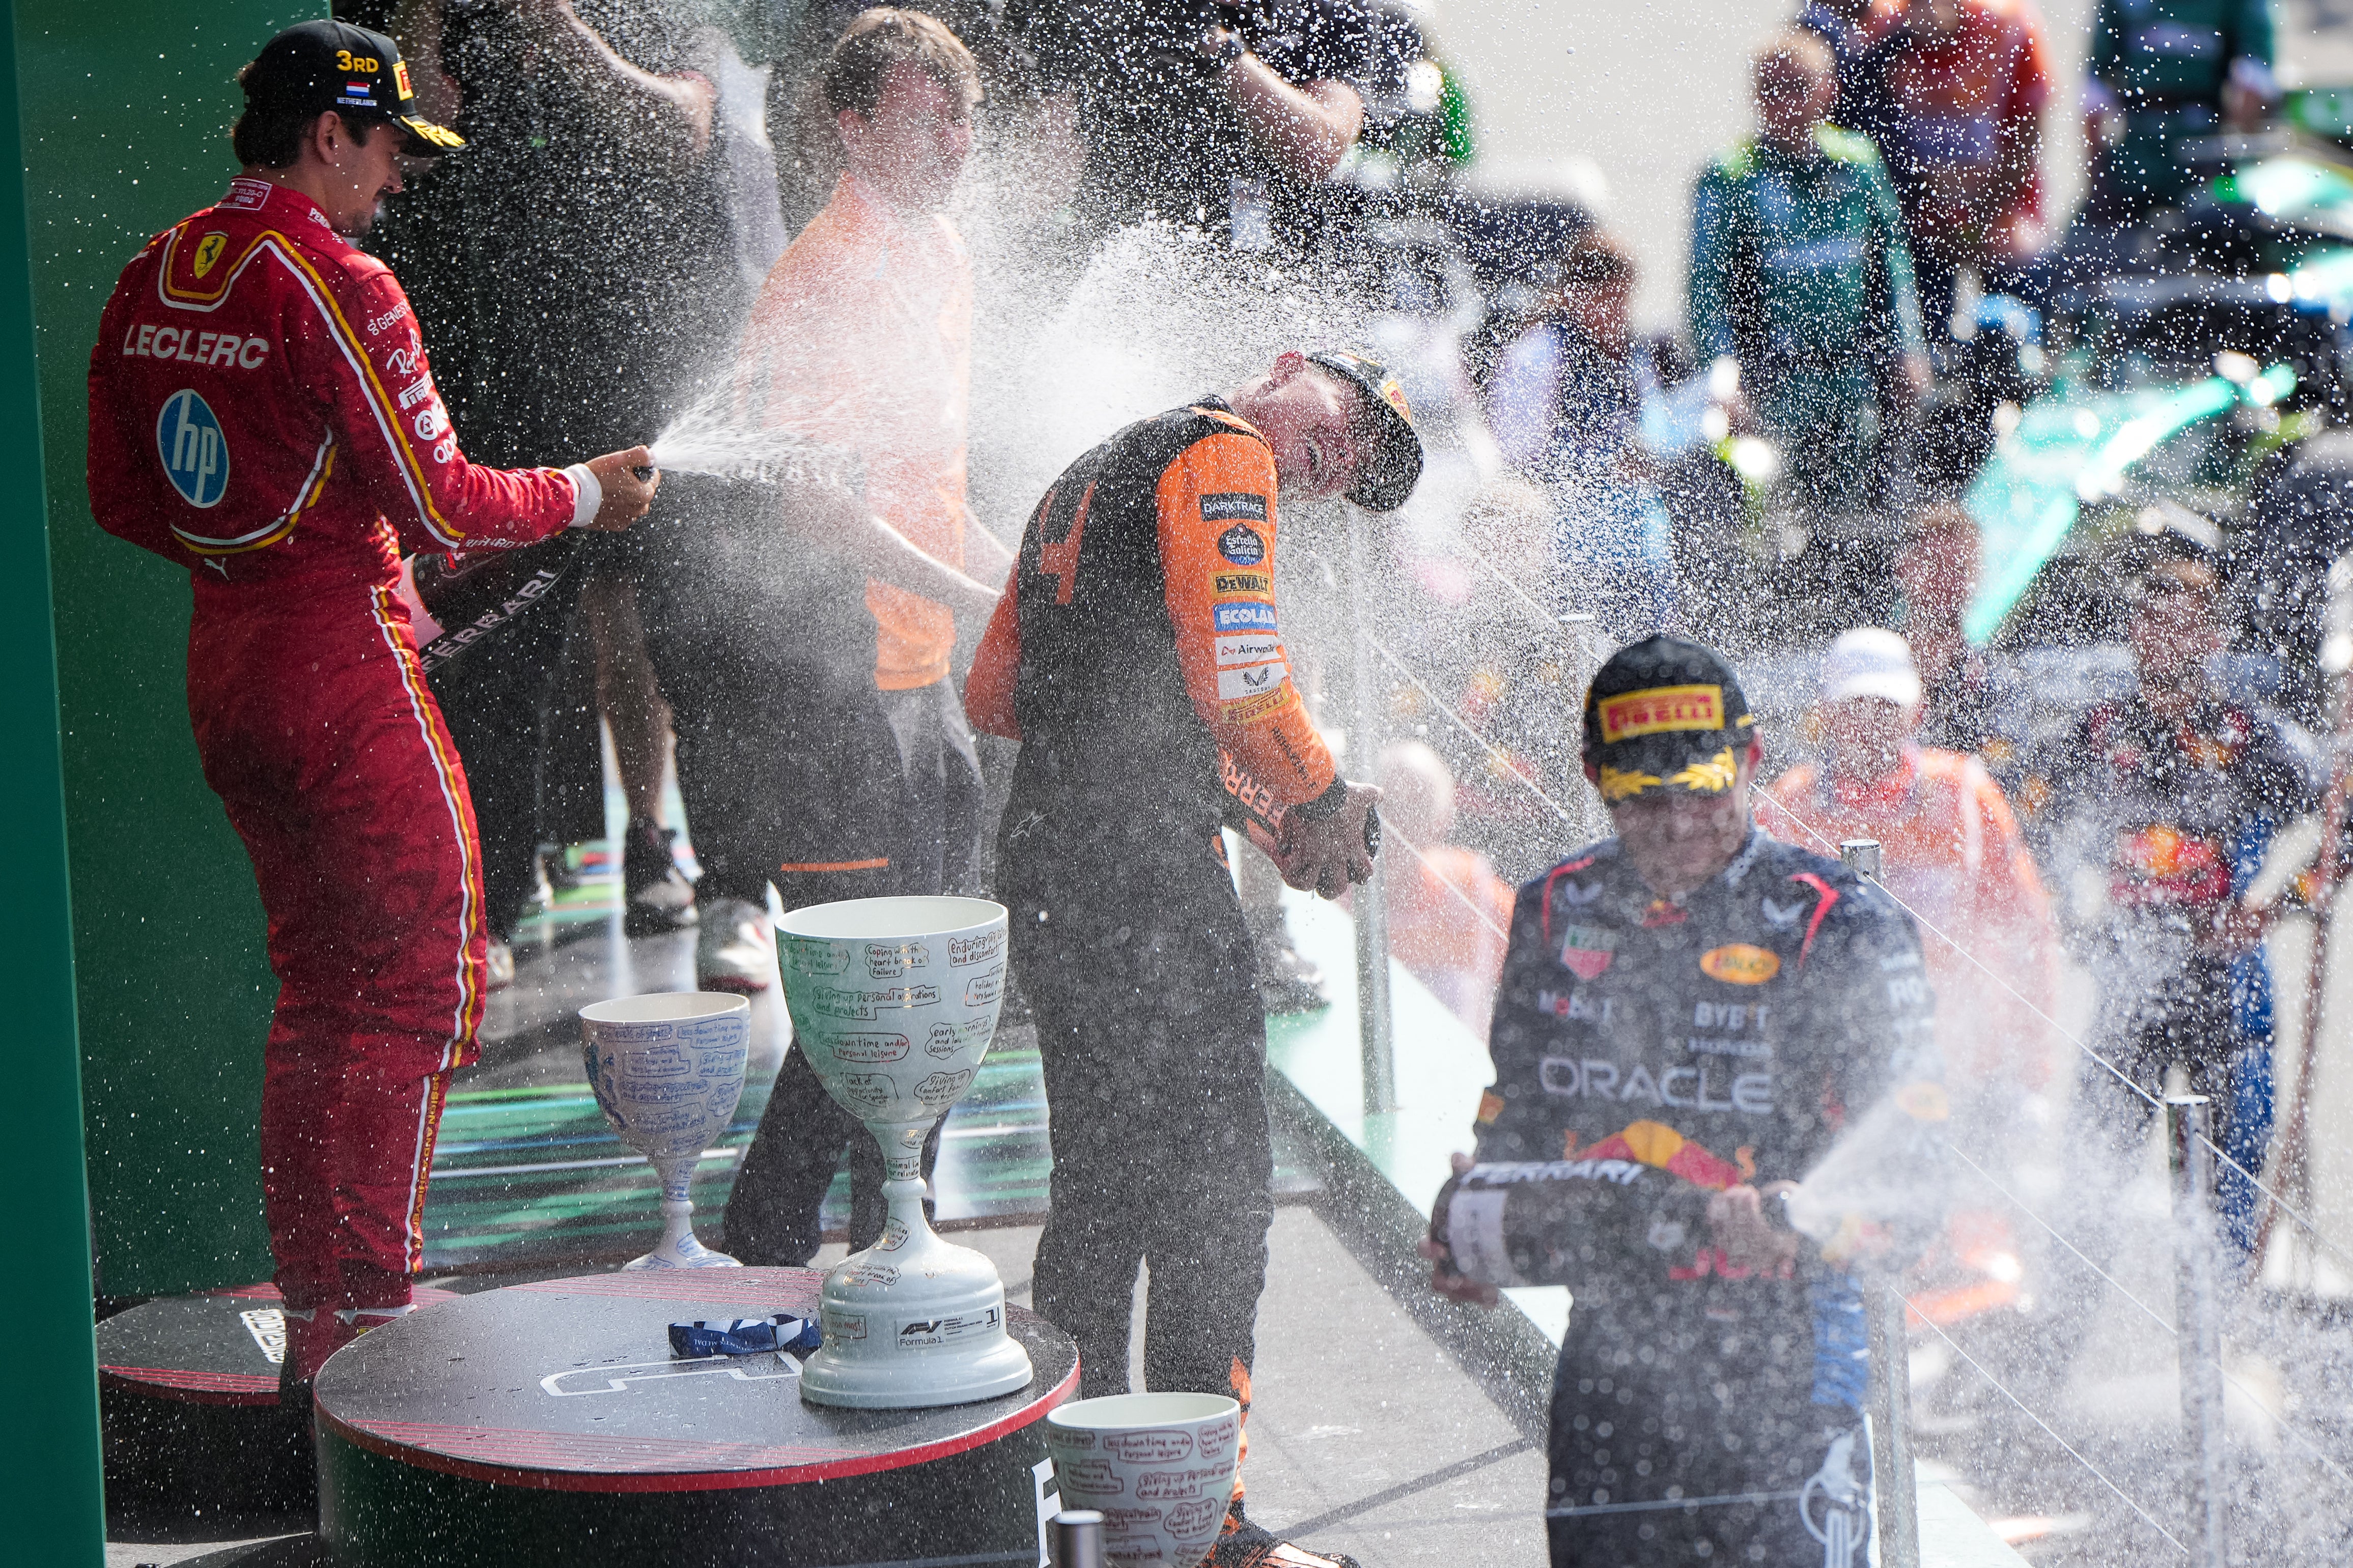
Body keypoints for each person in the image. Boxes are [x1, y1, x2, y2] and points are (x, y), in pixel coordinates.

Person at [83, 19, 658, 1389]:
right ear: (327, 133)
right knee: (416, 988)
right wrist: (587, 488)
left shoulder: (158, 265)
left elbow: (126, 501)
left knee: (320, 999)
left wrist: (281, 557)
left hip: (229, 670)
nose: (396, 179)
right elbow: (447, 496)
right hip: (342, 672)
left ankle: (323, 1322)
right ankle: (373, 1325)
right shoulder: (339, 278)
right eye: (388, 147)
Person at [965, 348, 1422, 1568]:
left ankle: (1081, 1513)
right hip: (1141, 888)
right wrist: (1318, 797)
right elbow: (1241, 676)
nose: (1343, 462)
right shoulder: (1225, 455)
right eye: (1355, 422)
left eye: (1361, 469)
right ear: (1289, 368)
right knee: (1217, 1201)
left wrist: (1251, 813)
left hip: (1053, 863)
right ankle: (1198, 1530)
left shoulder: (1097, 462)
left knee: (1100, 1194)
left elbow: (995, 695)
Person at [1425, 634, 1945, 1567]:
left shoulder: (1843, 924)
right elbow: (1518, 1118)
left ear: (1749, 761)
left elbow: (1914, 1191)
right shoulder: (1554, 908)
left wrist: (1796, 1219)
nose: (1676, 825)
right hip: (1610, 1375)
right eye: (1642, 800)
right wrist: (1481, 1220)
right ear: (1592, 779)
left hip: (1787, 1373)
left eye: (1703, 790)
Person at [709, 10, 1012, 1269]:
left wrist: (1029, 582)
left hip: (922, 674)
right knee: (866, 1000)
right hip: (827, 686)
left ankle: (906, 1238)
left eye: (962, 115)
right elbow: (813, 507)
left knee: (935, 988)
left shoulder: (940, 252)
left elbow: (932, 482)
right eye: (922, 114)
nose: (952, 137)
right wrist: (975, 596)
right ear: (848, 126)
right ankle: (769, 1241)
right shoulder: (822, 272)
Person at [381, 0, 741, 965]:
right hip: (484, 367)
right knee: (492, 649)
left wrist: (565, 32)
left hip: (633, 361)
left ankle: (683, 860)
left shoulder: (648, 15)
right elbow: (398, 155)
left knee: (659, 625)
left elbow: (685, 126)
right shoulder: (435, 21)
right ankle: (494, 904)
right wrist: (421, 27)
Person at [2042, 526, 2311, 1258]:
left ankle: (2225, 1331)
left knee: (2228, 1187)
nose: (2168, 634)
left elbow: (2337, 824)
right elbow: (2029, 826)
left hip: (2221, 988)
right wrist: (2074, 916)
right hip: (2126, 985)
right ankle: (2057, 1347)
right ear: (2133, 630)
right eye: (2154, 616)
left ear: (2214, 634)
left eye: (2188, 618)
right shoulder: (2095, 733)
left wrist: (2275, 905)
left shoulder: (2248, 737)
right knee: (2083, 1182)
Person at [1761, 628, 2060, 1114]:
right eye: (1855, 706)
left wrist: (2031, 1074)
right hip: (1828, 1074)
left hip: (1960, 1068)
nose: (1870, 723)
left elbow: (2027, 931)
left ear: (1916, 710)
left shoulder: (1965, 794)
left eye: (1886, 706)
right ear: (1827, 713)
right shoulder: (1787, 806)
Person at [1689, 31, 1928, 599]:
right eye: (1770, 89)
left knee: (1855, 521)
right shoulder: (1730, 176)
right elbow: (1705, 290)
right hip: (1773, 379)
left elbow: (1891, 265)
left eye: (1797, 86)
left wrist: (1907, 348)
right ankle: (1778, 616)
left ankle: (1851, 608)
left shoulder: (1857, 163)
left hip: (1850, 377)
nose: (1784, 102)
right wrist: (1722, 377)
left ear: (1828, 89)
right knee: (1773, 513)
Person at [1011, 0, 1395, 261]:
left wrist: (1212, 42)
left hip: (1268, 272)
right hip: (1120, 255)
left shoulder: (1331, 10)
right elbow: (1032, 174)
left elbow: (1318, 149)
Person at [1480, 229, 1680, 640]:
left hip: (1642, 548)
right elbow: (1515, 450)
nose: (1619, 311)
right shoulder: (1541, 352)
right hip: (1574, 551)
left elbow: (1657, 428)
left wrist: (1652, 451)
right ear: (1577, 294)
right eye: (1610, 299)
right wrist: (1603, 466)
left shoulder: (1633, 353)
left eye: (1624, 299)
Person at [1859, 0, 2053, 340]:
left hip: (2001, 209)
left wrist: (1980, 217)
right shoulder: (1886, 30)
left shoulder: (2008, 26)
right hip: (1923, 218)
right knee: (1913, 300)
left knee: (2021, 275)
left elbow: (2029, 138)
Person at [2082, 0, 2276, 220]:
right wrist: (2097, 181)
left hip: (2204, 161)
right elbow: (2094, 93)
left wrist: (2226, 157)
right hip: (2133, 164)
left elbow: (2255, 85)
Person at [1378, 739, 1515, 1033]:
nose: (1398, 824)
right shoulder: (1340, 891)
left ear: (1443, 820)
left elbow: (1537, 972)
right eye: (1389, 806)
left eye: (1416, 808)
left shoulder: (1471, 889)